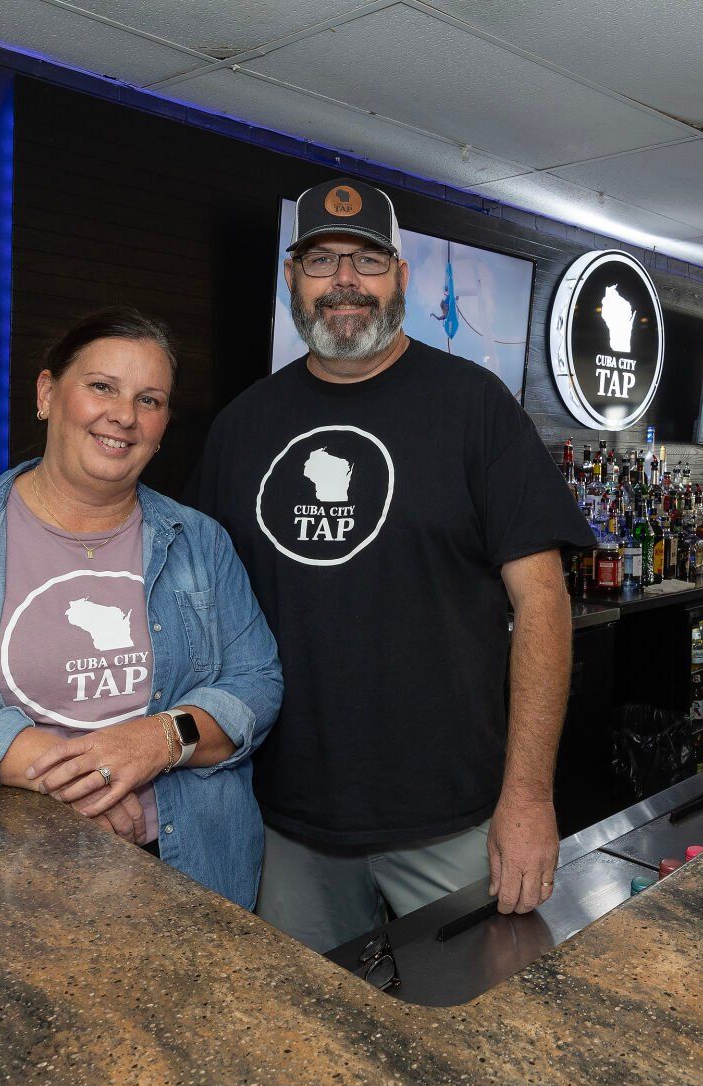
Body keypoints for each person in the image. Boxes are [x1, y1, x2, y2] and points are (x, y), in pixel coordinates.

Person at [188, 178, 597, 953]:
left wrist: (529, 797)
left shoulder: (476, 409)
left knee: (481, 1038)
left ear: (401, 277)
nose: (345, 280)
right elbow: (201, 619)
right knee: (311, 1048)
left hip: (453, 816)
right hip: (288, 824)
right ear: (291, 281)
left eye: (368, 260)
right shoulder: (240, 430)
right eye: (322, 260)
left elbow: (543, 604)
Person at [0, 308, 283, 907]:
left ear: (163, 424)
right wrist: (63, 770)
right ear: (48, 393)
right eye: (102, 386)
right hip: (2, 874)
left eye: (148, 400)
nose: (124, 416)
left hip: (191, 865)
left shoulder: (199, 541)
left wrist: (158, 739)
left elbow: (256, 681)